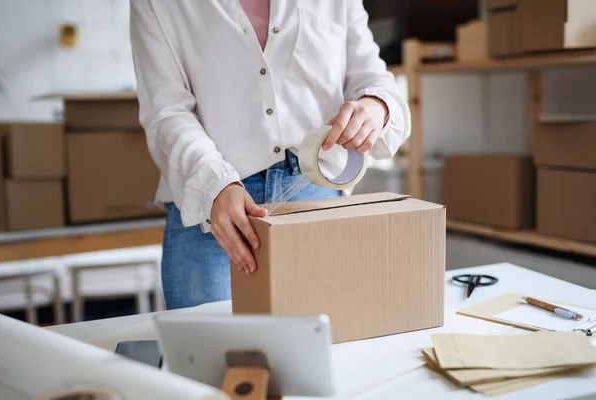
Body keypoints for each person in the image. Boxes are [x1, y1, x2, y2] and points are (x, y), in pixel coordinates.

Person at [129, 0, 411, 310]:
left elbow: (374, 79)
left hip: (316, 197)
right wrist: (215, 185)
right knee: (211, 351)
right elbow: (166, 111)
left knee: (324, 349)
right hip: (213, 212)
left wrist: (375, 106)